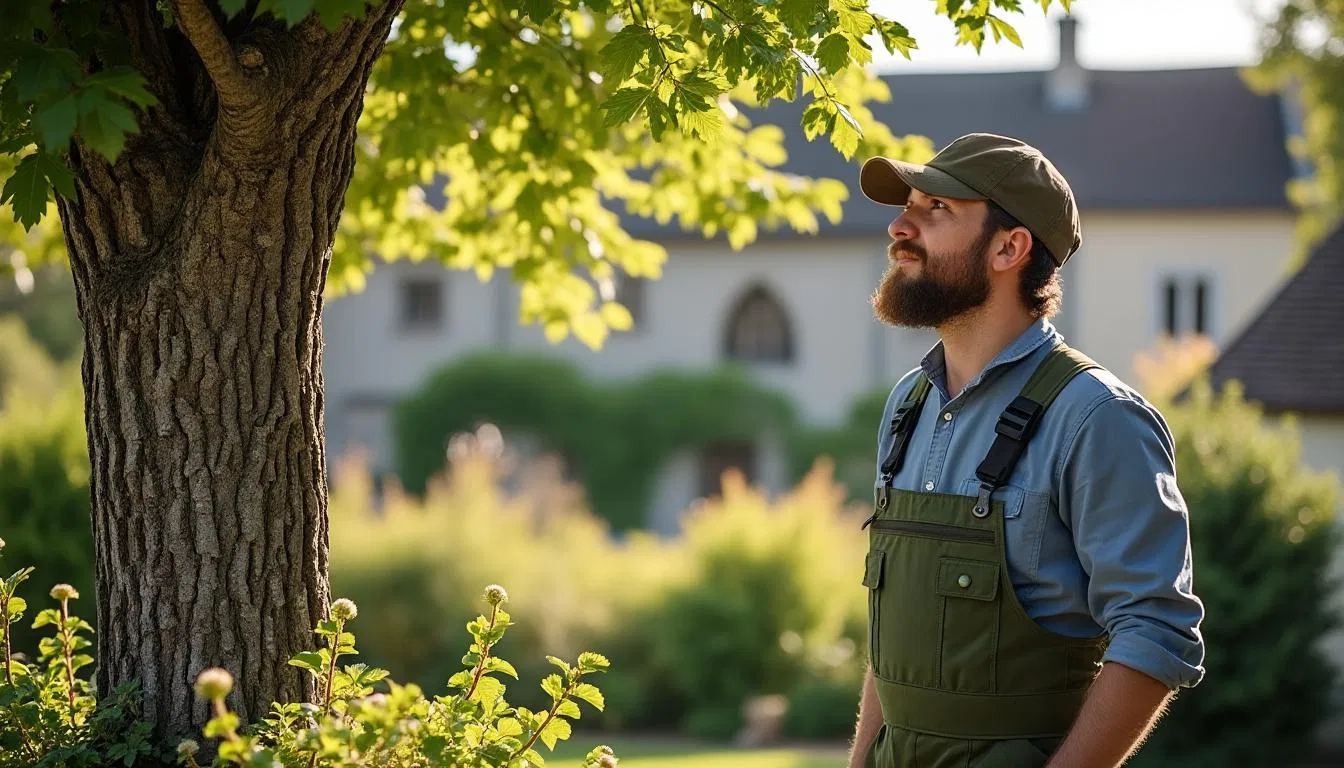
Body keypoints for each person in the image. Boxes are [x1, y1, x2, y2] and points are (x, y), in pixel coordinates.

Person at [848, 133, 1205, 768]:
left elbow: (1155, 632)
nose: (900, 226)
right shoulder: (908, 405)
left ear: (1010, 248)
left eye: (937, 210)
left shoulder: (1098, 417)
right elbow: (897, 644)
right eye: (908, 205)